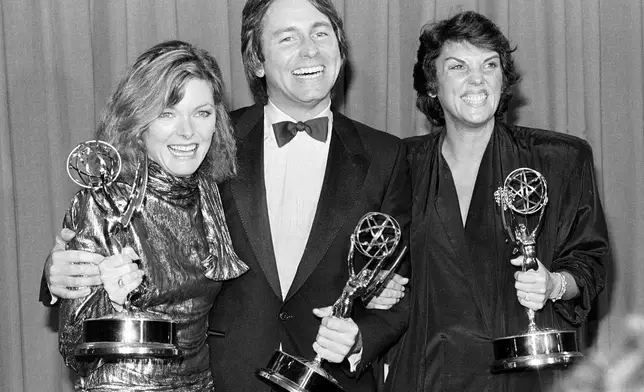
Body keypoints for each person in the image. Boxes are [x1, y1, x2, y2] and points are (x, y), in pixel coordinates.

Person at [42, 1, 411, 391]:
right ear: (257, 61)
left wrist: (359, 338)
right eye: (288, 37)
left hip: (332, 382)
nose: (309, 50)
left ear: (340, 48)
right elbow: (133, 210)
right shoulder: (206, 140)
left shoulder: (387, 156)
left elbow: (403, 289)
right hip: (222, 378)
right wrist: (59, 273)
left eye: (321, 33)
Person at [383, 11, 610, 392]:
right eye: (457, 66)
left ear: (503, 79)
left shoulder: (560, 158)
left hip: (520, 375)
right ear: (432, 85)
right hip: (423, 374)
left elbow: (590, 263)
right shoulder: (397, 164)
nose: (477, 79)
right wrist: (381, 287)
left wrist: (554, 284)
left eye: (489, 65)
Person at [57, 40, 249, 391]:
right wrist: (109, 300)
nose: (187, 131)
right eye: (167, 113)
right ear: (138, 120)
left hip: (200, 383)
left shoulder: (209, 193)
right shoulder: (102, 202)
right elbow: (71, 346)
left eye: (202, 113)